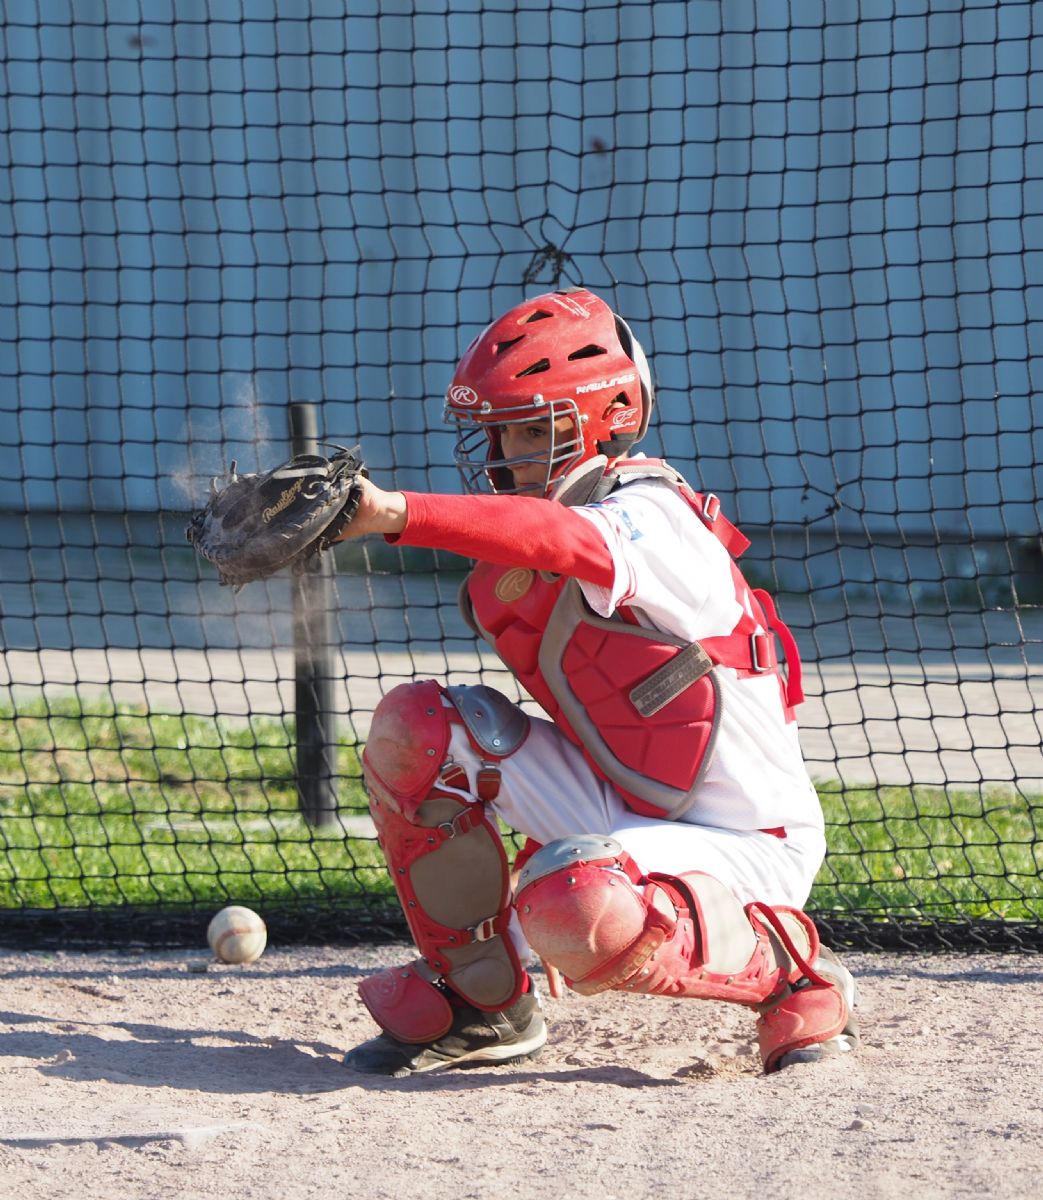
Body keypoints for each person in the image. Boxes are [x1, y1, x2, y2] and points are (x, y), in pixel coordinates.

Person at [335, 287, 859, 1077]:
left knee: (571, 900)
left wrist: (392, 511)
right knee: (419, 728)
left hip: (748, 839)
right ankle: (482, 1000)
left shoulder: (651, 515)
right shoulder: (541, 533)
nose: (501, 454)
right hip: (622, 798)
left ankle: (793, 973)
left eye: (524, 428)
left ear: (601, 416)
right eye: (497, 432)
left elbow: (561, 538)